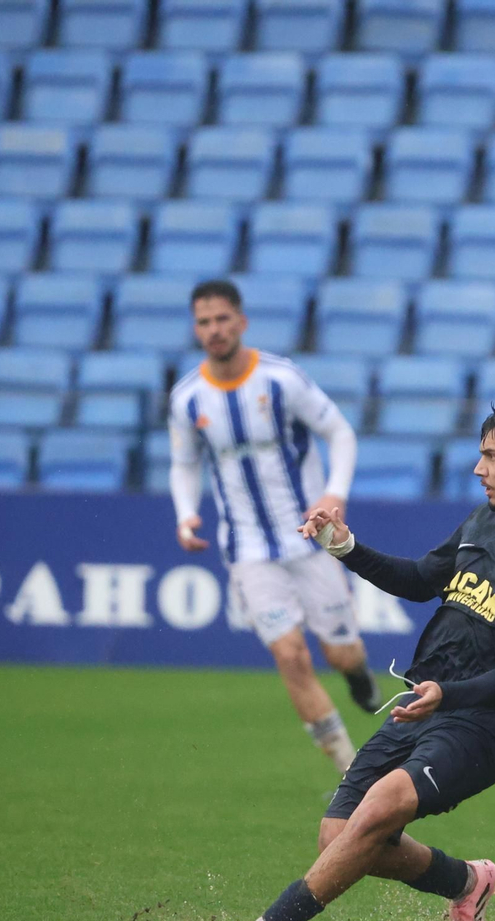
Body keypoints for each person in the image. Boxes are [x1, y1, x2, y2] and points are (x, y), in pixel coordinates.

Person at [229, 399, 495, 921]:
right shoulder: (484, 519)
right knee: (339, 837)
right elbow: (421, 579)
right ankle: (469, 882)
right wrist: (344, 548)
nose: (479, 468)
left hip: (489, 723)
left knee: (377, 811)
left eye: (491, 456)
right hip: (424, 702)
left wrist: (447, 695)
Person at [168, 279, 382, 776]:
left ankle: (359, 677)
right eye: (204, 321)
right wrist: (185, 512)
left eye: (223, 319)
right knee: (289, 655)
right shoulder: (188, 399)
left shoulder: (281, 379)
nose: (214, 329)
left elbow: (340, 432)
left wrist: (334, 494)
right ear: (196, 329)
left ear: (241, 322)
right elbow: (183, 464)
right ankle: (350, 773)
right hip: (247, 549)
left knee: (341, 653)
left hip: (310, 540)